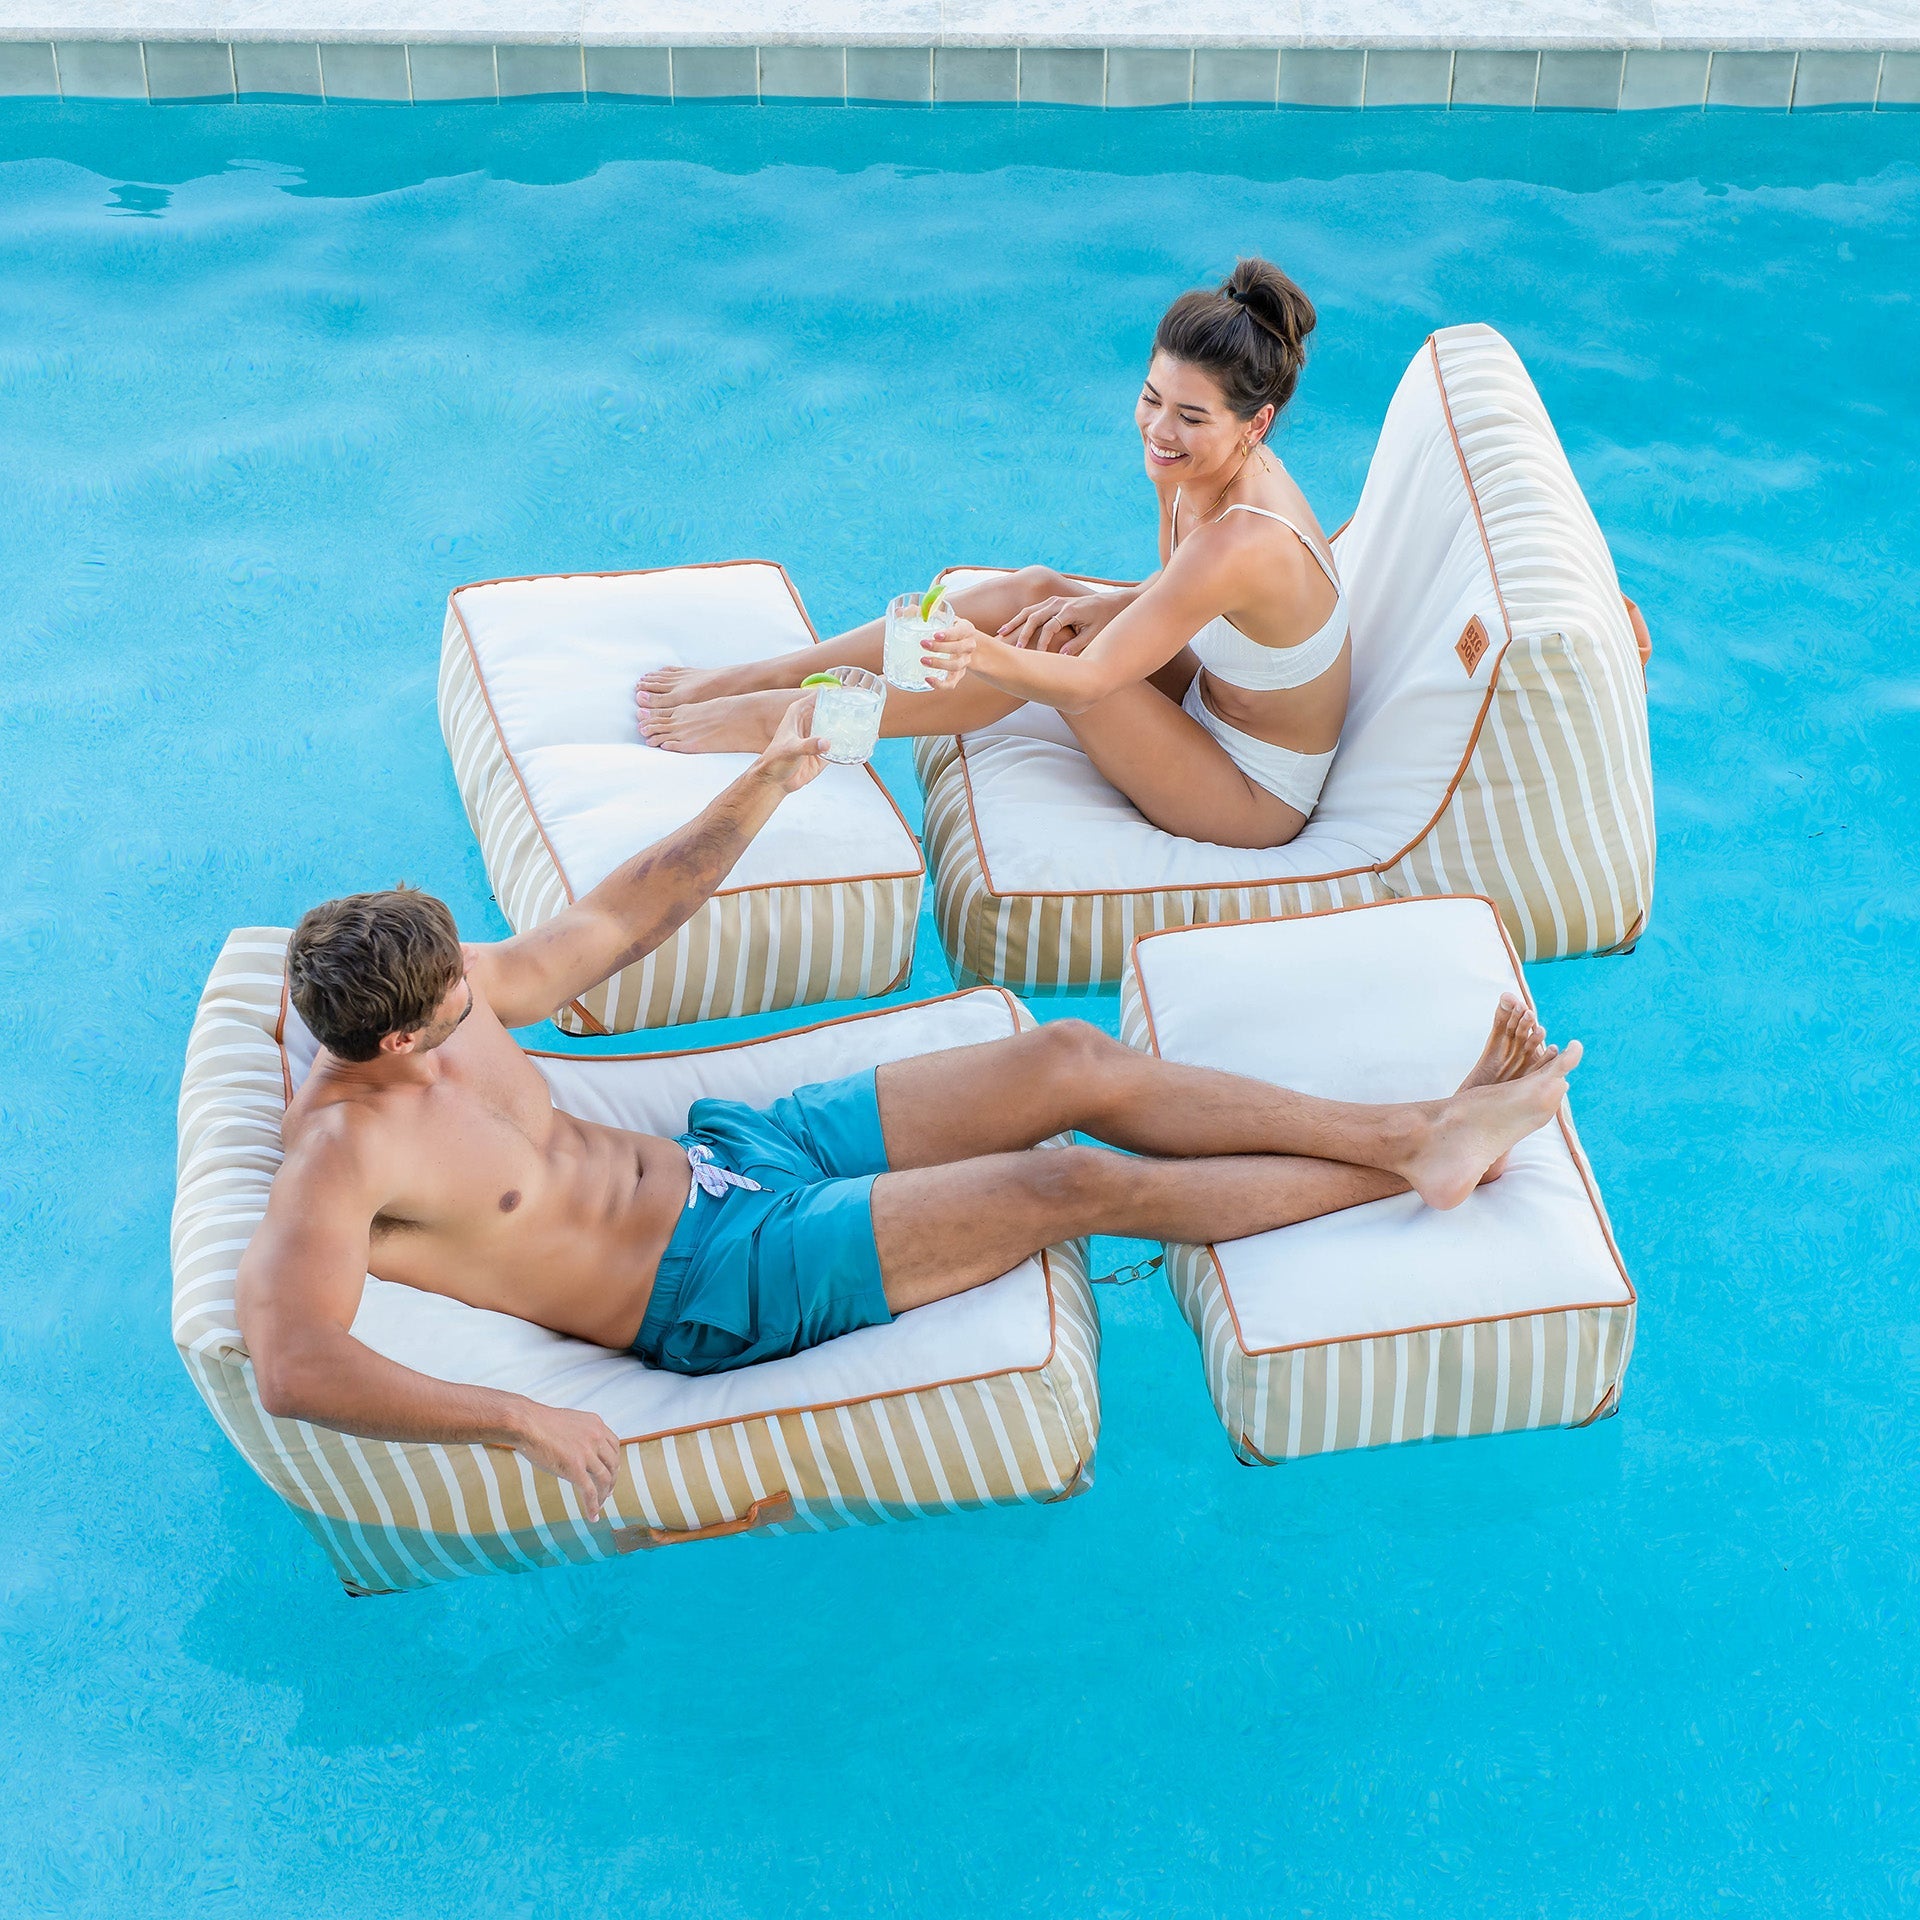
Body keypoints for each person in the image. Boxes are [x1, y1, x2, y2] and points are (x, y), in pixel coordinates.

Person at [237, 705, 1580, 1526]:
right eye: (460, 996)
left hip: (727, 1157)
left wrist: (767, 779)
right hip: (711, 1282)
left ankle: (1406, 1131)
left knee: (1063, 1055)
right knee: (1064, 1183)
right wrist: (513, 1418)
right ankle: (1421, 1150)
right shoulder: (345, 1153)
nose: (487, 984)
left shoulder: (439, 986)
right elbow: (294, 1364)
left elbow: (614, 914)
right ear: (397, 1040)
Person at [635, 257, 1349, 851]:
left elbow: (1093, 681)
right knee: (1036, 592)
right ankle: (777, 671)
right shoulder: (1202, 469)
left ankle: (792, 718)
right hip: (1212, 701)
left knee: (1053, 657)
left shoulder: (1247, 537)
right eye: (1151, 397)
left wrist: (974, 652)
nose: (1158, 430)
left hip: (1249, 789)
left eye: (1190, 417)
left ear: (1256, 423)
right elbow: (1184, 586)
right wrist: (1105, 602)